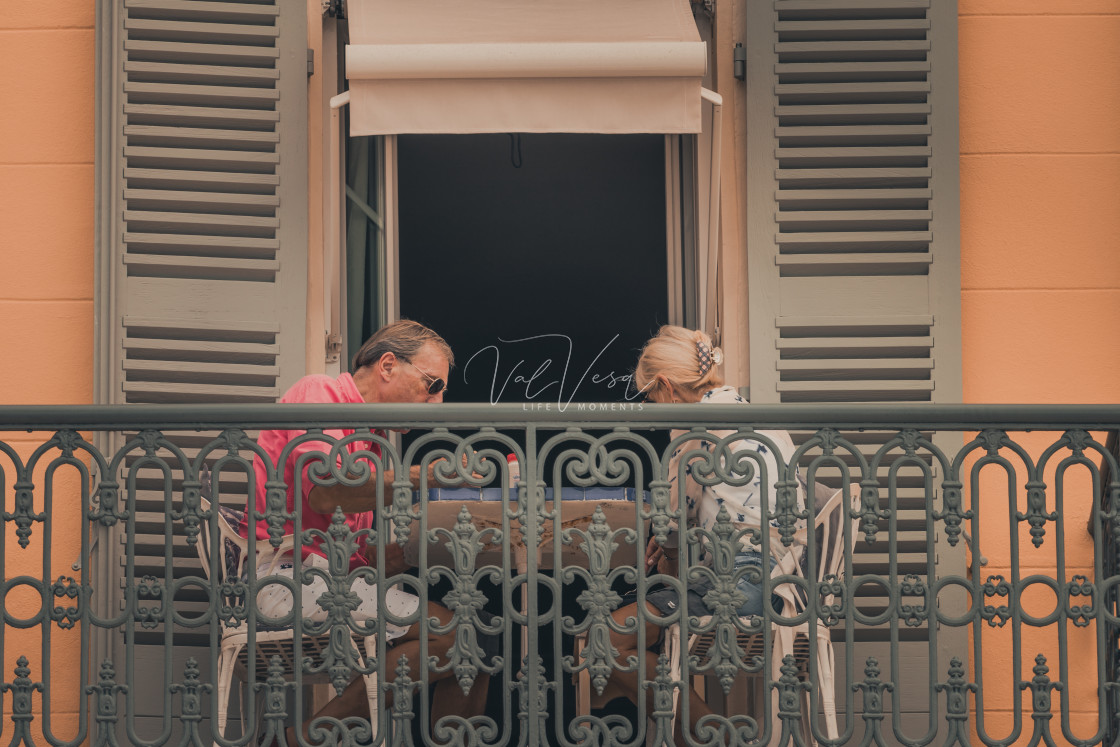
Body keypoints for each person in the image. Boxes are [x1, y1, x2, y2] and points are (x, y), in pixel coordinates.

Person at [244, 319, 489, 744]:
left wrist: (411, 549)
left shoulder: (371, 437)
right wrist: (427, 476)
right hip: (285, 579)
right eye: (432, 385)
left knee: (473, 642)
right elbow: (325, 492)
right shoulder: (319, 392)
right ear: (389, 365)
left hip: (328, 578)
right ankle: (304, 738)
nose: (437, 402)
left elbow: (351, 550)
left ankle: (303, 737)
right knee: (460, 635)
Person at [597, 325, 807, 740]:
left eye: (651, 398)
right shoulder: (746, 411)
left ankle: (720, 738)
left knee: (607, 641)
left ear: (667, 387)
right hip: (783, 580)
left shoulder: (694, 429)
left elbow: (672, 526)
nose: (654, 410)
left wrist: (660, 532)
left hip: (743, 583)